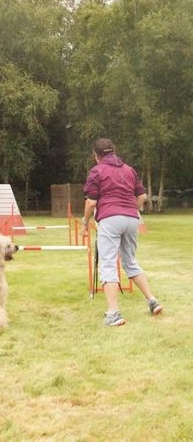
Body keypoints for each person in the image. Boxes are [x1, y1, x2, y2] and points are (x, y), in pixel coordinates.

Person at [81, 138, 163, 326]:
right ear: (114, 151)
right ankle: (152, 301)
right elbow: (142, 196)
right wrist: (129, 209)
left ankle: (113, 314)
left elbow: (91, 202)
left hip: (110, 218)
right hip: (132, 218)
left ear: (96, 155)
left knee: (108, 264)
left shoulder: (97, 170)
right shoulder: (129, 170)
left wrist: (85, 222)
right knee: (130, 261)